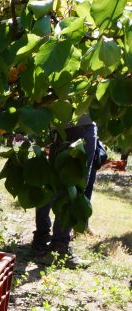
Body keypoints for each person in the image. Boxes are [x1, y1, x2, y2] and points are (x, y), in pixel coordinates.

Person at [31, 115, 98, 269]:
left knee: (53, 182)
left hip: (59, 126)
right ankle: (59, 247)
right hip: (83, 124)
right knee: (73, 185)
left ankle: (41, 240)